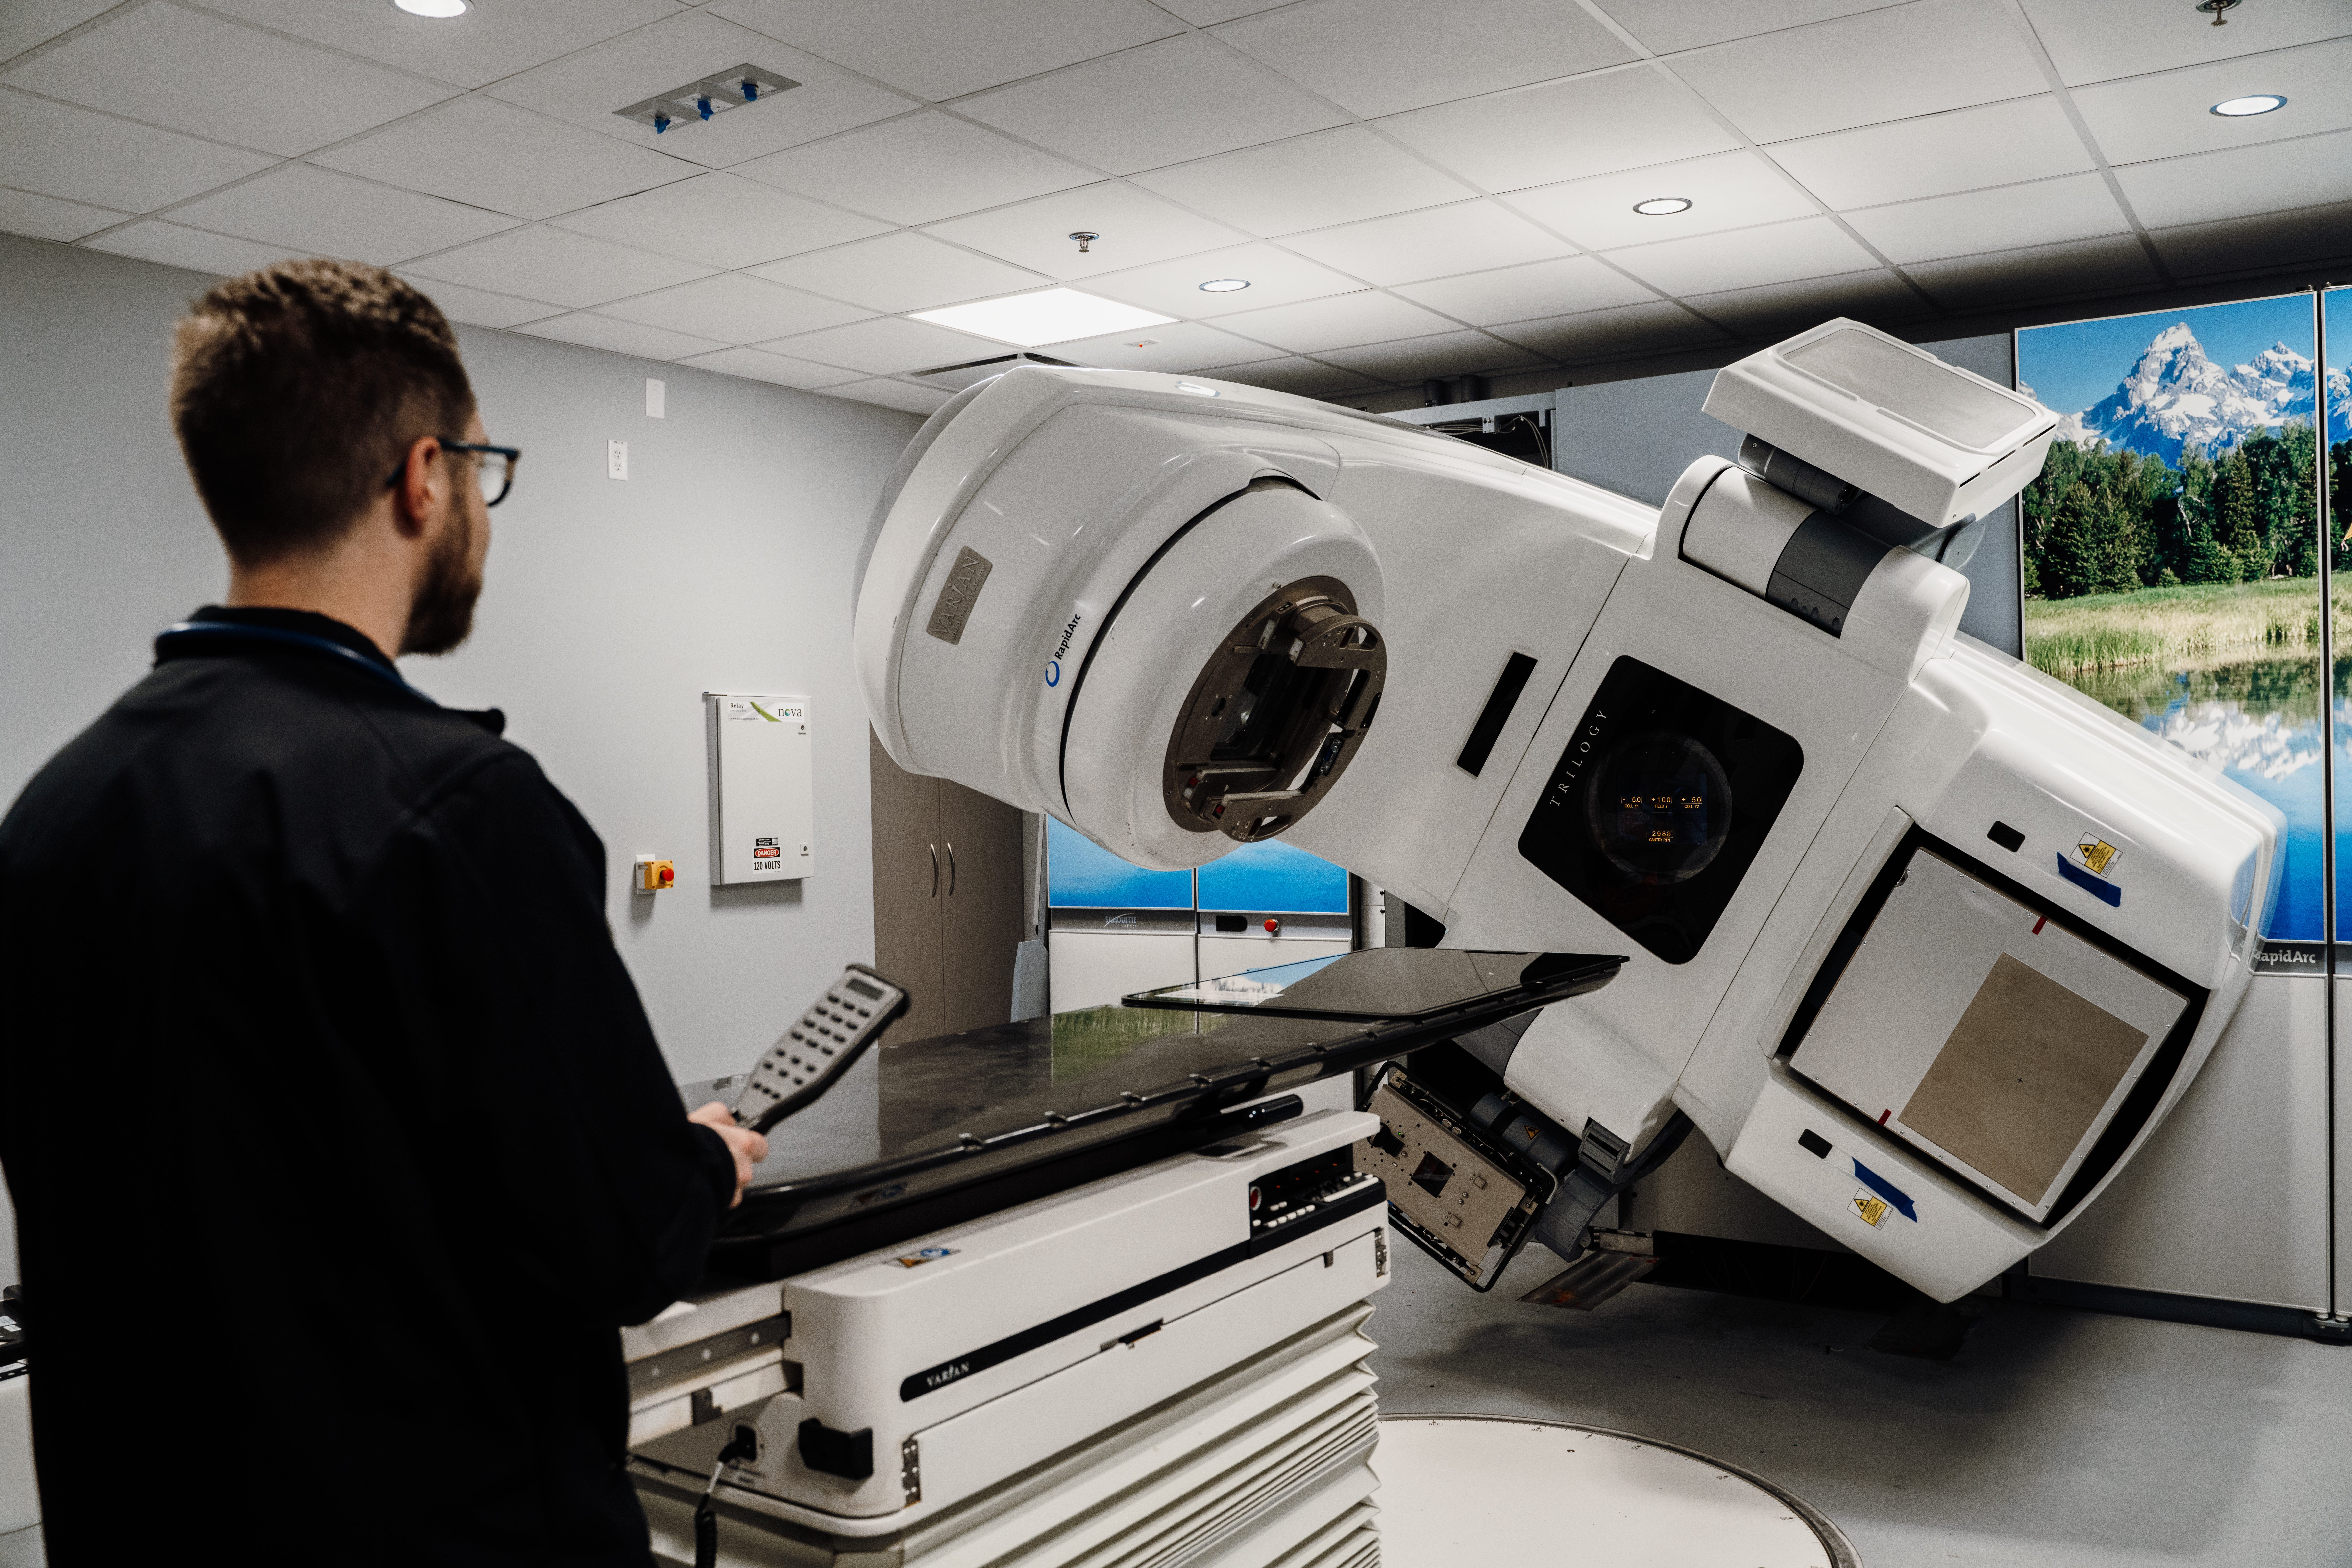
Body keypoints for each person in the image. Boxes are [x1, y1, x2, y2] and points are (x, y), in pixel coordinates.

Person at [0, 259, 768, 1565]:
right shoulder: (456, 810)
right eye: (483, 471)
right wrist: (703, 1161)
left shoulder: (54, 815)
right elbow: (624, 1242)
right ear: (424, 478)